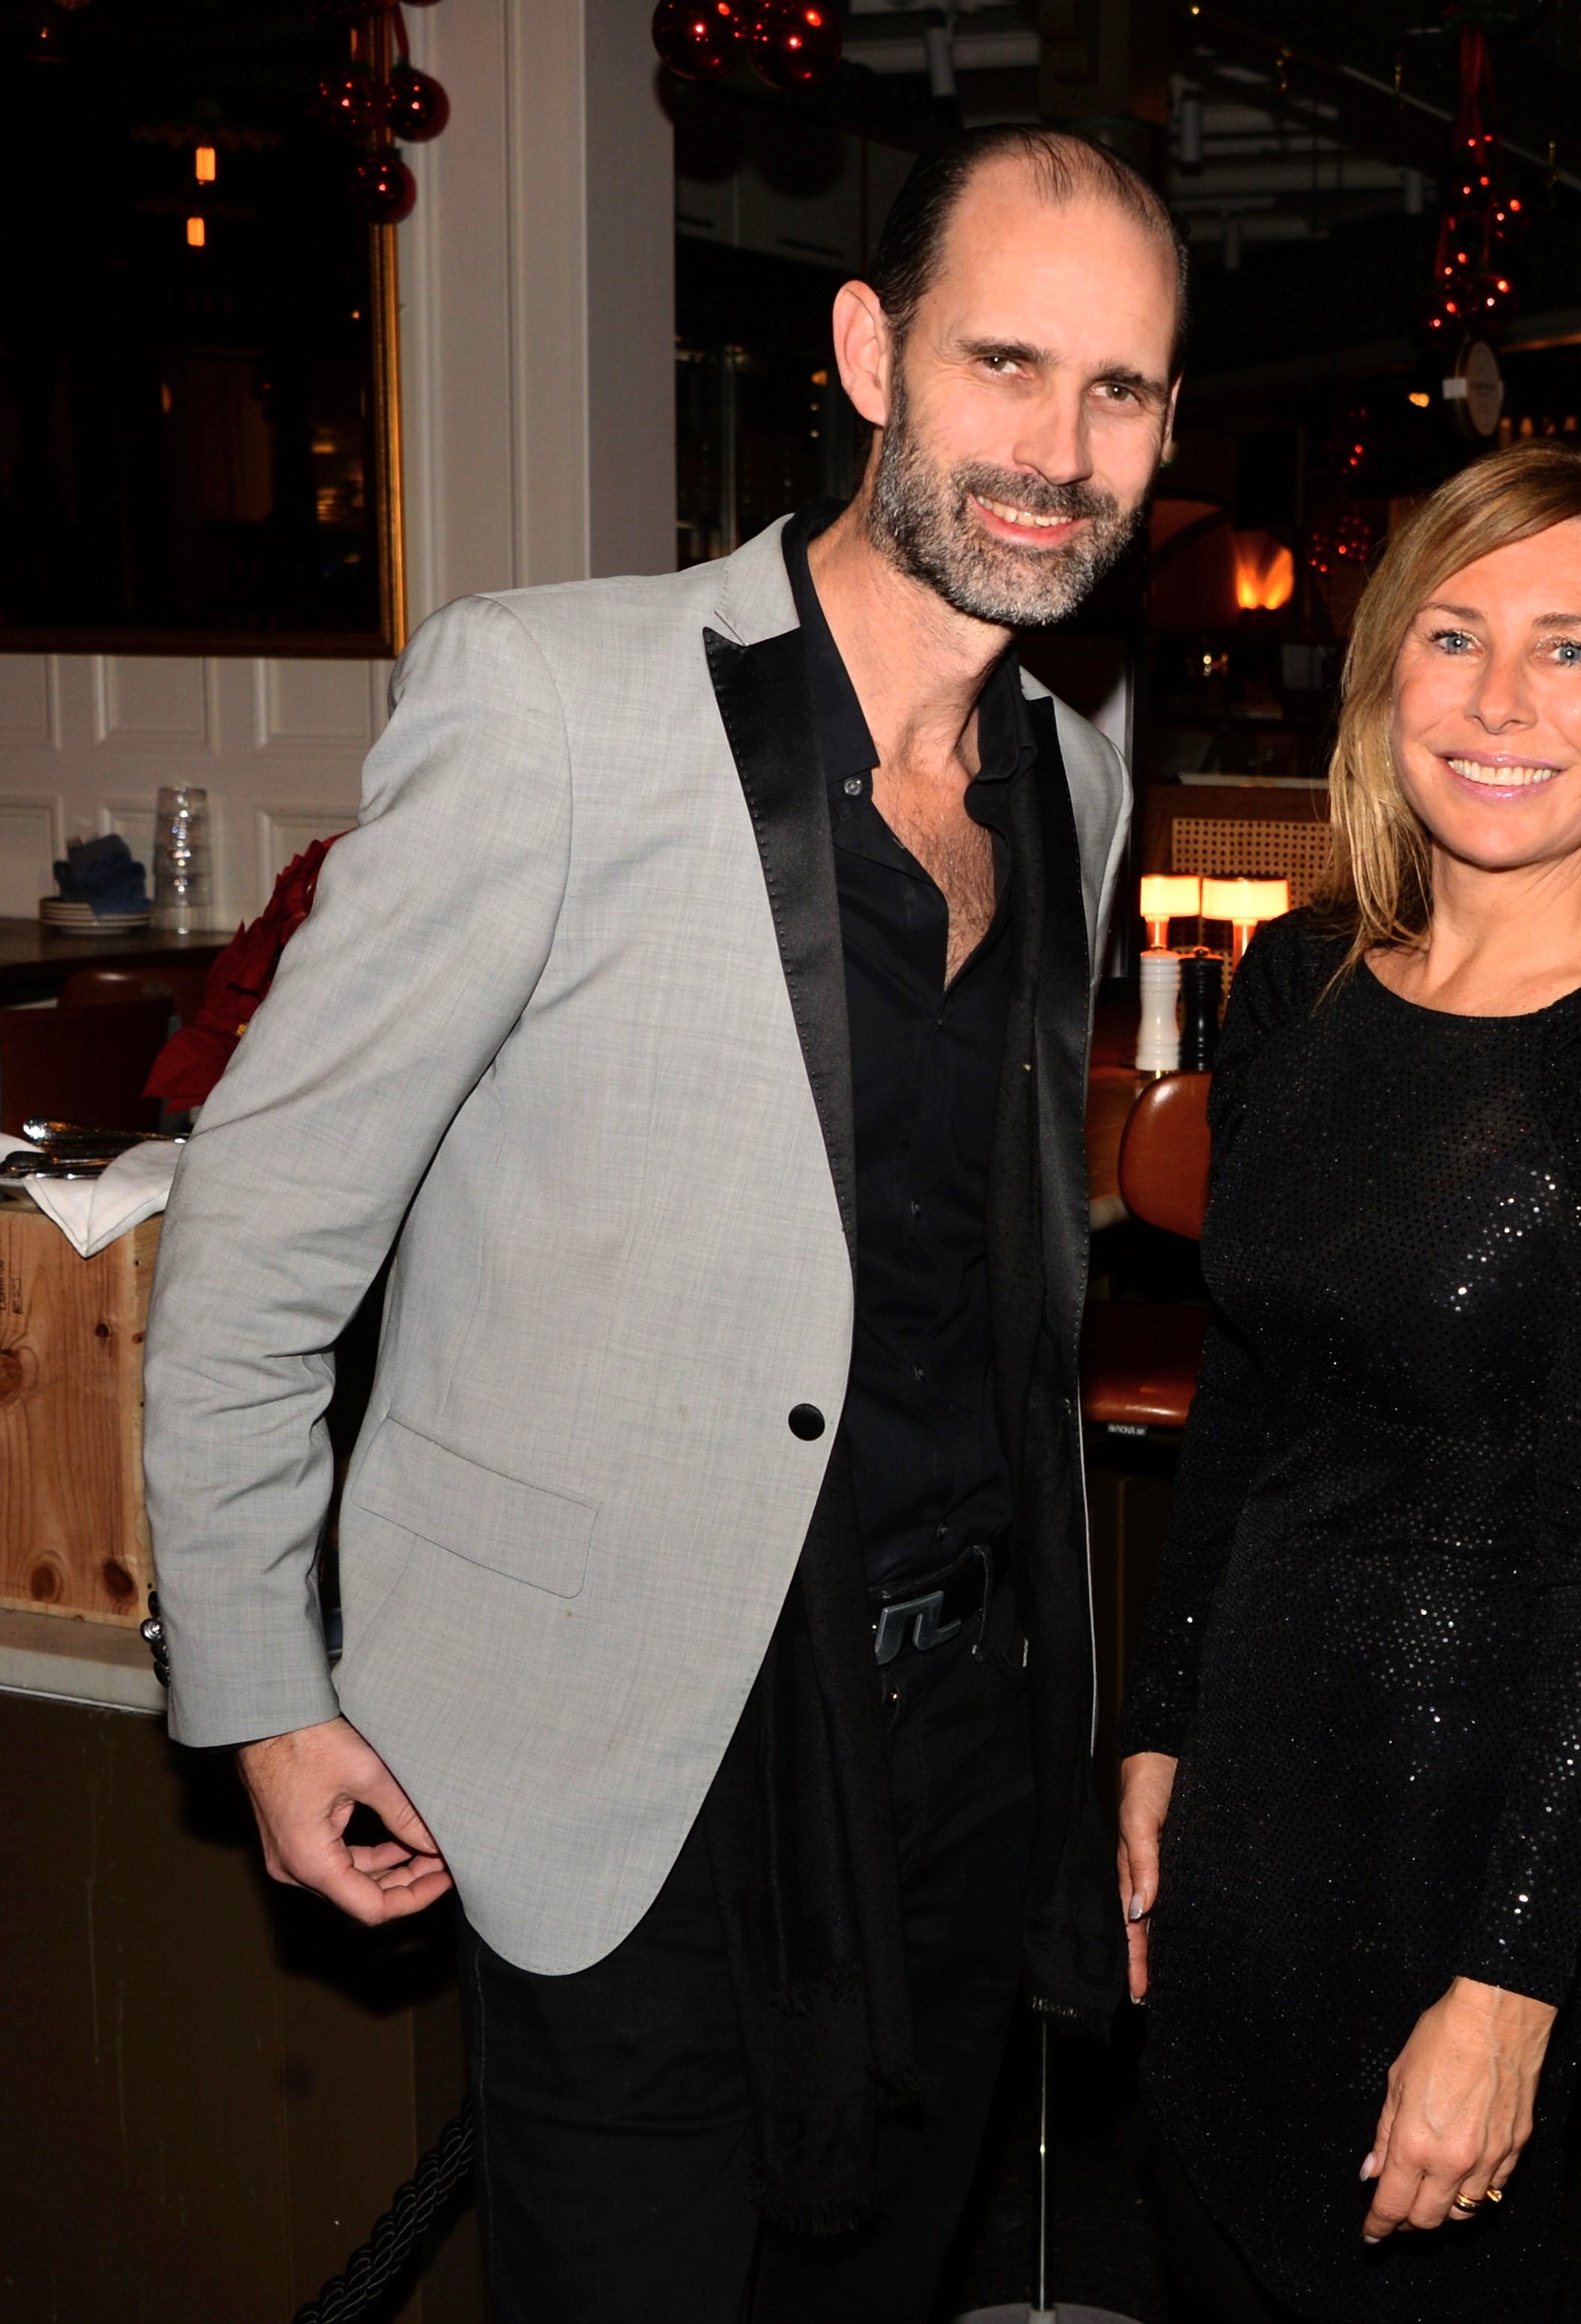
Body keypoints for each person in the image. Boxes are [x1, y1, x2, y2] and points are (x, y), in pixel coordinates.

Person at [140, 127, 1181, 2322]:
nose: (1057, 449)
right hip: (623, 1758)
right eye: (1005, 363)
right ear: (869, 353)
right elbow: (264, 1219)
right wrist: (259, 1689)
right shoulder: (554, 699)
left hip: (959, 1750)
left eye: (1120, 389)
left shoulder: (1072, 778)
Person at [1113, 441, 1581, 2324]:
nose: (1500, 698)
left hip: (1472, 1836)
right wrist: (1159, 1729)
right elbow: (1246, 1402)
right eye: (1452, 635)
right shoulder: (1300, 986)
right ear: (1385, 680)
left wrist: (1509, 1983)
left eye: (1568, 647)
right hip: (1246, 1792)